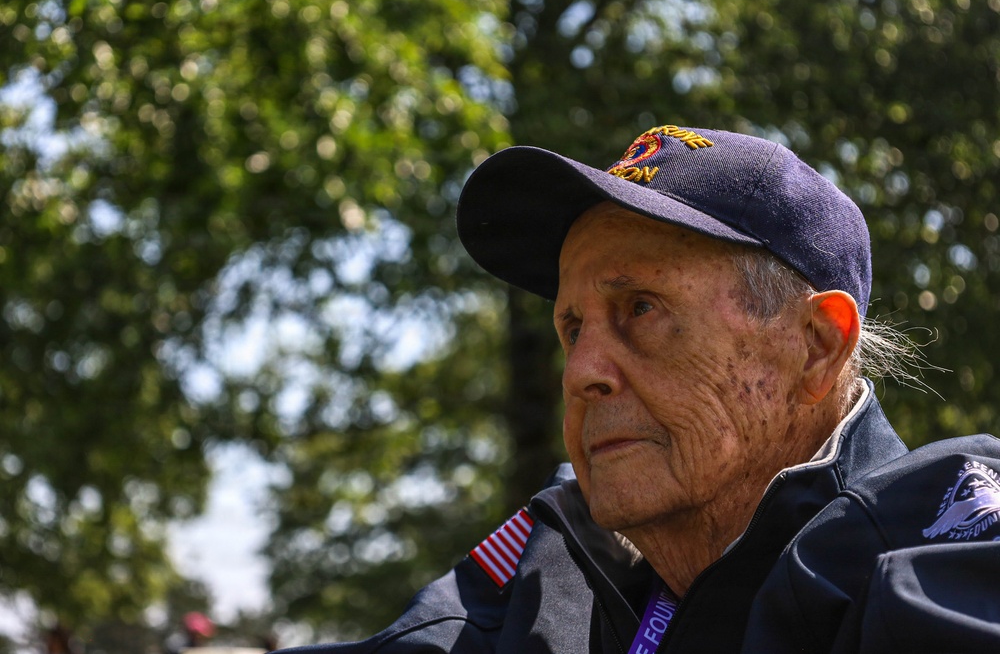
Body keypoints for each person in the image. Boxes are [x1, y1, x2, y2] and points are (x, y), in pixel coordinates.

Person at [273, 125, 1000, 653]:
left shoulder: (942, 545)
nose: (583, 371)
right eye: (572, 326)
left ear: (816, 346)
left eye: (640, 310)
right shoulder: (550, 565)